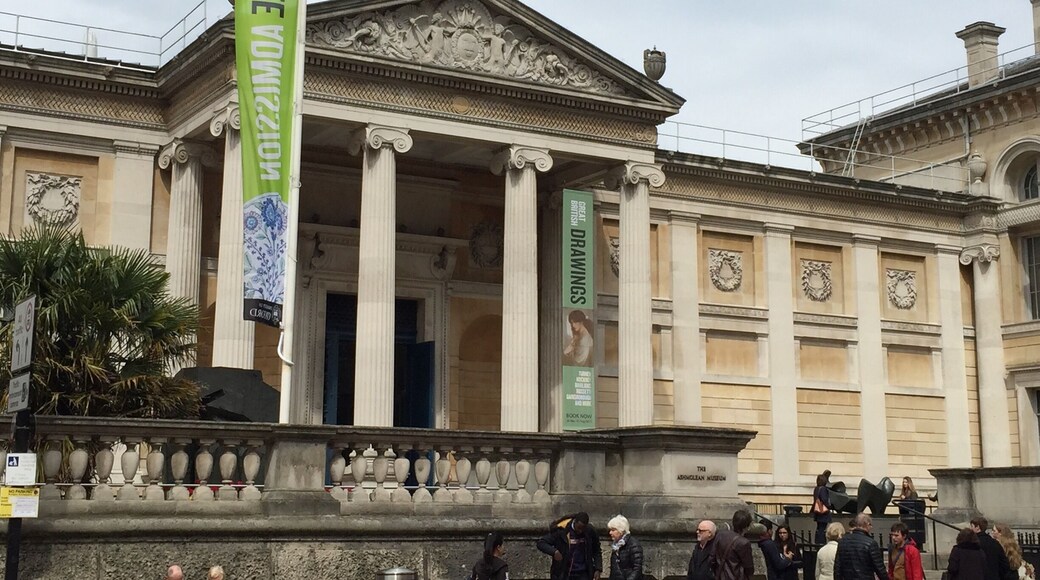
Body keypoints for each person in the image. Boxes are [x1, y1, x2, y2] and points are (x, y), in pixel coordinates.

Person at [537, 512, 603, 580]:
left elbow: (597, 550)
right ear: (574, 522)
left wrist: (598, 568)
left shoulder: (590, 531)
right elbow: (541, 543)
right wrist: (554, 552)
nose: (580, 531)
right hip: (564, 572)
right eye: (579, 528)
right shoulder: (561, 530)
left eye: (583, 529)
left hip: (583, 573)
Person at [833, 513, 888, 580]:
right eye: (870, 525)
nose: (871, 527)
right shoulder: (871, 543)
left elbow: (837, 567)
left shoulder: (843, 541)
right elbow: (880, 569)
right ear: (867, 524)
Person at [712, 510, 755, 580]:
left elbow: (712, 558)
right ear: (746, 526)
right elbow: (749, 568)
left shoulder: (720, 535)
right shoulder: (744, 542)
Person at [607, 515, 643, 580]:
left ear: (621, 530)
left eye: (613, 530)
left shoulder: (633, 544)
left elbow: (637, 569)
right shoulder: (616, 545)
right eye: (610, 530)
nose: (610, 533)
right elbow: (614, 569)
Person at [812, 470, 833, 545]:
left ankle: (817, 542)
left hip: (818, 512)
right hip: (823, 512)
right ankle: (821, 542)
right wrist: (829, 506)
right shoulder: (823, 489)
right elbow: (824, 499)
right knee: (822, 529)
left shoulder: (816, 489)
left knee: (819, 528)